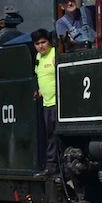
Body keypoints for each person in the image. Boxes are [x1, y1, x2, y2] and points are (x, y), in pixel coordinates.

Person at [30, 29, 60, 178]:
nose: (41, 46)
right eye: (37, 43)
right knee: (50, 136)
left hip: (58, 103)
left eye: (43, 42)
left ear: (49, 42)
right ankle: (52, 166)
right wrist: (40, 92)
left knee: (56, 137)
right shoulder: (38, 58)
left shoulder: (55, 54)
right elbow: (42, 78)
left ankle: (56, 167)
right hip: (46, 103)